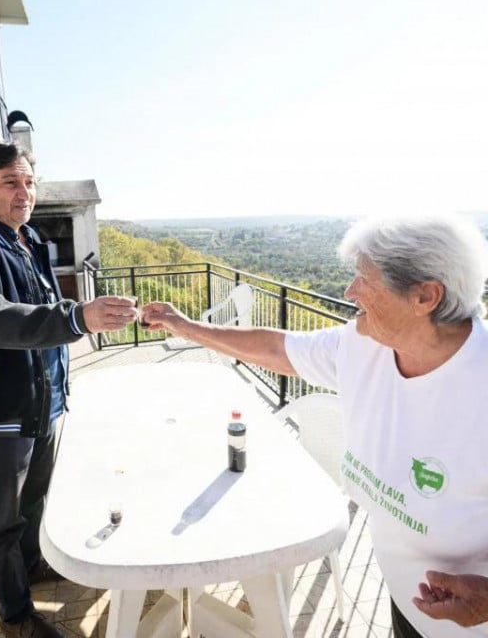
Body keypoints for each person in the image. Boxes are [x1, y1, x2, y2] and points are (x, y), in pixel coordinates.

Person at [141, 213, 488, 638]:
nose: (349, 292)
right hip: (408, 606)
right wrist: (184, 326)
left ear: (425, 296)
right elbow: (277, 348)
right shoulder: (365, 345)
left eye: (365, 279)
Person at [0, 141, 137, 638]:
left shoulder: (28, 237)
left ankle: (32, 569)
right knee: (2, 521)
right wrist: (77, 316)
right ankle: (16, 617)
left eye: (28, 182)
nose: (24, 192)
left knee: (36, 501)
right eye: (10, 183)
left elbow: (36, 309)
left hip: (41, 403)